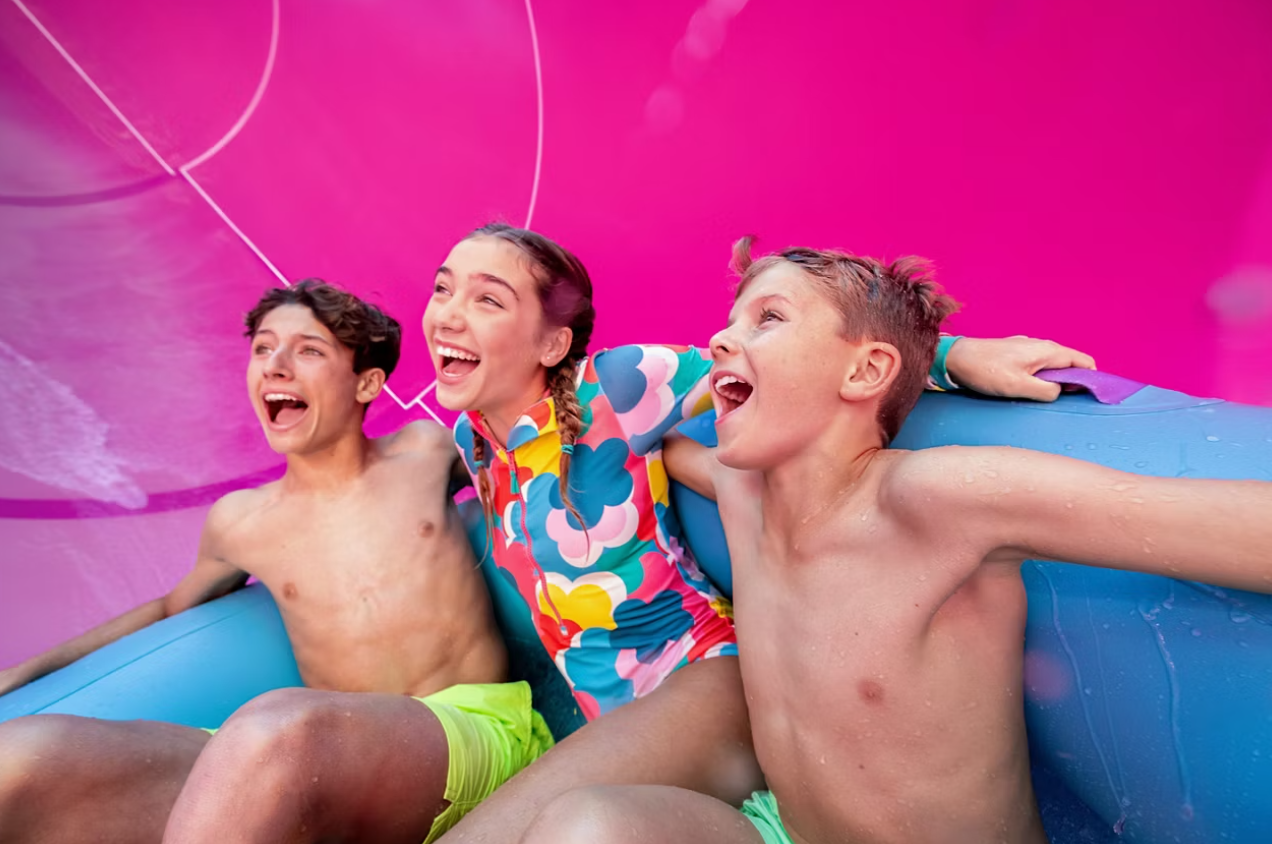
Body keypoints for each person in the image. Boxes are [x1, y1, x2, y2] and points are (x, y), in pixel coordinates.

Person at [514, 240, 1272, 844]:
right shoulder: (741, 491)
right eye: (731, 321)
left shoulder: (936, 499)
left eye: (768, 319)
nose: (719, 339)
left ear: (868, 370)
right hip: (788, 831)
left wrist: (950, 356)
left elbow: (1215, 522)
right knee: (586, 825)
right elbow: (632, 437)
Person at [422, 224, 1097, 842]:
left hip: (703, 680)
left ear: (552, 344)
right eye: (443, 289)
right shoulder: (472, 440)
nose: (448, 314)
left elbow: (801, 365)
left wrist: (957, 356)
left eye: (488, 299)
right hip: (617, 717)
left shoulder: (619, 385)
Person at [0, 280, 551, 844]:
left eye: (308, 350)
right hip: (324, 758)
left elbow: (532, 446)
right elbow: (169, 609)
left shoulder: (425, 451)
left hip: (471, 727)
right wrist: (21, 675)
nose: (276, 365)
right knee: (25, 756)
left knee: (275, 732)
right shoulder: (241, 522)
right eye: (264, 348)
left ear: (366, 382)